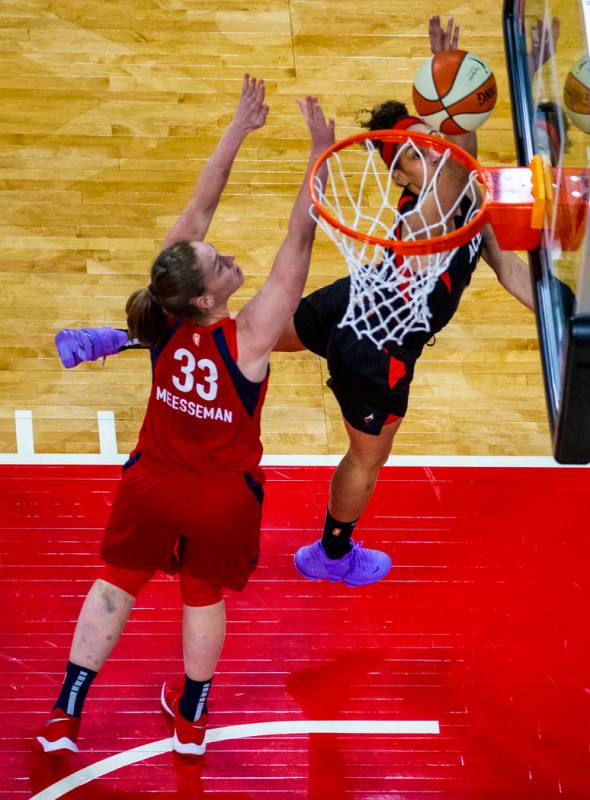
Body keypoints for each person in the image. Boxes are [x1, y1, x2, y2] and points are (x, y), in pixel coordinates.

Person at [53, 17, 535, 590]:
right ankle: (332, 554)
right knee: (366, 459)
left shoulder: (470, 201)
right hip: (374, 344)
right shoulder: (424, 212)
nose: (424, 157)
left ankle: (121, 336)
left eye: (423, 149)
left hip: (353, 302)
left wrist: (566, 327)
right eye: (410, 156)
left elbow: (512, 272)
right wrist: (452, 101)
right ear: (402, 180)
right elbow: (454, 166)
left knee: (235, 337)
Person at [37, 76, 336, 757]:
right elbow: (299, 240)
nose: (227, 257)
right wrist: (318, 155)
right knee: (202, 595)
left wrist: (239, 126)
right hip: (221, 499)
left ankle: (65, 712)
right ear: (206, 297)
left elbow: (201, 206)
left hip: (154, 484)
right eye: (221, 263)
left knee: (116, 582)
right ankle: (192, 720)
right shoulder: (253, 333)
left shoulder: (166, 309)